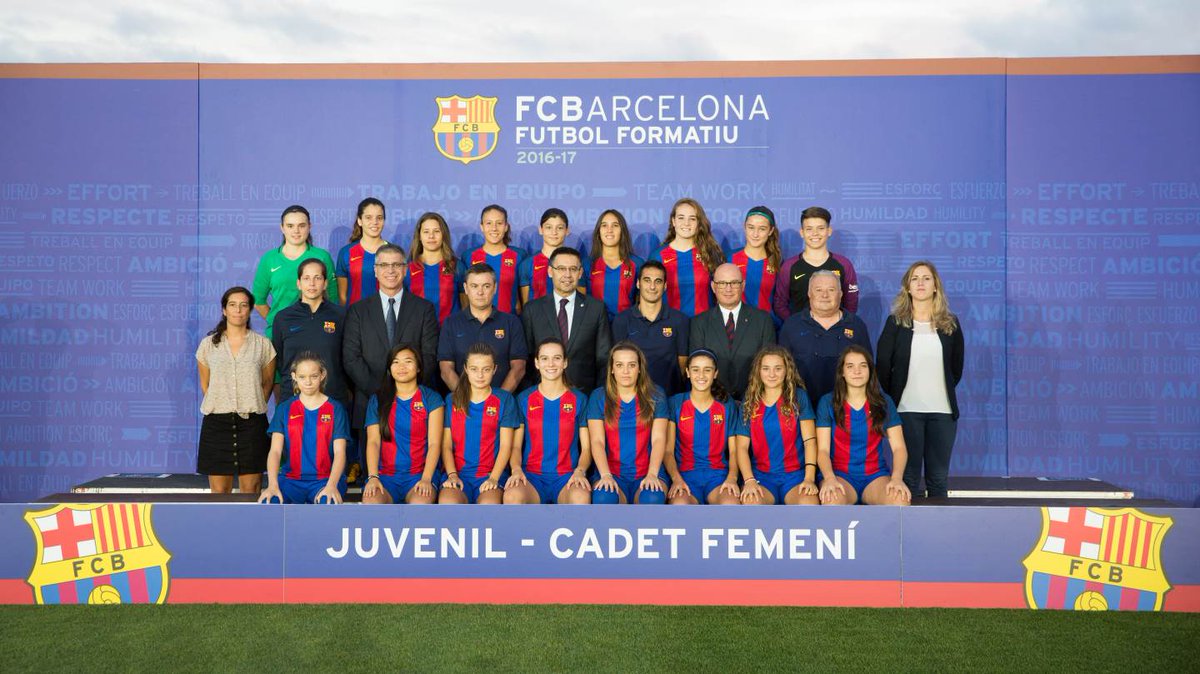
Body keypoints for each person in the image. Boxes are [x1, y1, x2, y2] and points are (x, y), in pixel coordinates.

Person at [876, 260, 965, 500]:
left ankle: (938, 525)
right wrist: (895, 394)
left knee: (938, 480)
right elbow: (882, 365)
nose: (920, 283)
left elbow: (956, 369)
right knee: (909, 479)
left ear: (936, 286)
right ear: (907, 287)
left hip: (943, 413)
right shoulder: (895, 322)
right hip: (906, 411)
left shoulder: (950, 324)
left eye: (926, 278)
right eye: (914, 279)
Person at [343, 244, 439, 458]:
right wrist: (381, 394)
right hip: (371, 403)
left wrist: (405, 392)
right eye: (384, 265)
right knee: (372, 473)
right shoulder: (358, 310)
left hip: (414, 406)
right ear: (375, 271)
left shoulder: (424, 309)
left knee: (416, 473)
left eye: (396, 264)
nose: (391, 270)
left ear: (405, 270)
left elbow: (429, 356)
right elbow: (351, 358)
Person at [196, 286, 276, 494]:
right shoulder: (207, 345)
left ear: (250, 310)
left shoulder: (263, 345)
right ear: (224, 310)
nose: (238, 310)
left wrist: (251, 402)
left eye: (243, 305)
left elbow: (267, 383)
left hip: (252, 426)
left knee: (251, 491)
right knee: (219, 494)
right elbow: (206, 385)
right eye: (232, 305)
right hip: (217, 425)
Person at [815, 345, 911, 506]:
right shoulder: (828, 402)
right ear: (842, 372)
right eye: (850, 366)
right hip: (839, 475)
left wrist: (896, 479)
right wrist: (829, 478)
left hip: (875, 476)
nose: (857, 371)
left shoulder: (884, 402)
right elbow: (822, 450)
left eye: (863, 366)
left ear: (870, 370)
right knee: (832, 500)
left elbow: (899, 448)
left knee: (900, 500)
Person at [504, 339, 593, 504]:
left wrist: (580, 471)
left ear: (565, 362)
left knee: (581, 497)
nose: (551, 364)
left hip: (567, 477)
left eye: (557, 358)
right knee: (512, 496)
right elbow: (515, 446)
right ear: (537, 363)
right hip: (531, 477)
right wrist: (516, 470)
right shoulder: (524, 399)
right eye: (544, 358)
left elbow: (587, 448)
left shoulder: (579, 399)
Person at [258, 352, 350, 504]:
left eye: (314, 376)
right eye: (302, 377)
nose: (308, 382)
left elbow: (340, 452)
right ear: (294, 376)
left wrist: (332, 485)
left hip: (325, 480)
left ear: (322, 375)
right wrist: (272, 485)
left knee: (328, 501)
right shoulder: (284, 408)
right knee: (270, 502)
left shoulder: (335, 408)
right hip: (290, 480)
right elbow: (275, 451)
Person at [586, 342, 669, 505]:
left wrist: (652, 474)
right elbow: (597, 441)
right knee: (604, 498)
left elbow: (659, 439)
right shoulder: (598, 396)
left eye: (631, 365)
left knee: (652, 498)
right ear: (612, 369)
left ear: (639, 368)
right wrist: (606, 475)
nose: (625, 371)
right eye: (619, 365)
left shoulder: (656, 395)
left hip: (648, 471)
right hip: (611, 472)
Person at [438, 344, 521, 504]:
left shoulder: (504, 400)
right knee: (448, 503)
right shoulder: (452, 400)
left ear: (494, 369)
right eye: (474, 369)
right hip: (458, 474)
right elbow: (446, 445)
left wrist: (493, 478)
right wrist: (452, 475)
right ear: (466, 369)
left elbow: (506, 446)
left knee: (488, 505)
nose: (480, 375)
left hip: (491, 474)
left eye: (486, 369)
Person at [362, 344, 444, 505]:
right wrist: (373, 477)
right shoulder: (378, 400)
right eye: (395, 362)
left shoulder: (431, 399)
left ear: (418, 367)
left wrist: (426, 479)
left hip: (419, 475)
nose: (401, 367)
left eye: (408, 361)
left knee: (420, 503)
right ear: (389, 368)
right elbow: (373, 442)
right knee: (371, 503)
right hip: (385, 476)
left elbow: (435, 444)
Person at [778, 270, 872, 409]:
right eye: (819, 290)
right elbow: (781, 370)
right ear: (809, 293)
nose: (825, 295)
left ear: (841, 294)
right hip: (801, 409)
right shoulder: (791, 325)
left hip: (846, 409)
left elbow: (869, 369)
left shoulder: (857, 326)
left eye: (831, 290)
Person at [520, 247, 611, 392]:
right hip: (542, 396)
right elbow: (527, 359)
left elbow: (603, 359)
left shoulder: (596, 308)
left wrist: (598, 395)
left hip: (584, 393)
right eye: (561, 269)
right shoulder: (532, 309)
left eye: (573, 269)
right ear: (550, 271)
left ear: (580, 273)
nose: (567, 275)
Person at [736, 347, 819, 505]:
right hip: (761, 476)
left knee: (809, 504)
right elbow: (741, 447)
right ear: (758, 371)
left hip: (795, 476)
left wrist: (809, 478)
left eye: (778, 368)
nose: (772, 374)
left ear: (787, 370)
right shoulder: (750, 400)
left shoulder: (798, 397)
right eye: (766, 369)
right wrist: (749, 480)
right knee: (751, 502)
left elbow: (810, 441)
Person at [663, 350, 741, 505]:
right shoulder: (676, 403)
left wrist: (732, 478)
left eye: (707, 370)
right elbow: (668, 451)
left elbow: (734, 451)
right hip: (685, 476)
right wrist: (676, 479)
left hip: (718, 477)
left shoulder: (727, 405)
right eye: (695, 370)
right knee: (680, 505)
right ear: (688, 372)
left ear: (715, 373)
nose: (701, 375)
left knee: (730, 504)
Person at [688, 263, 776, 399]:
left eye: (734, 283)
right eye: (722, 283)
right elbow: (697, 367)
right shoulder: (699, 323)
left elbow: (769, 365)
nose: (728, 289)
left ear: (743, 285)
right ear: (713, 287)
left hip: (753, 400)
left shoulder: (763, 320)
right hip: (713, 401)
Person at [437, 263, 528, 393]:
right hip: (463, 401)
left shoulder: (511, 322)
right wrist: (465, 399)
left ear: (495, 288)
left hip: (502, 400)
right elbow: (446, 370)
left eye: (486, 286)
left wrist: (498, 400)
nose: (480, 292)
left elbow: (519, 368)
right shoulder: (451, 323)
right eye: (474, 286)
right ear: (466, 288)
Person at [271, 259, 349, 408]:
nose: (312, 284)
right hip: (293, 400)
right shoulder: (283, 318)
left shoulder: (341, 315)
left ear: (325, 283)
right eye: (306, 278)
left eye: (317, 278)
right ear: (298, 283)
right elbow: (280, 361)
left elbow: (347, 359)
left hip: (333, 399)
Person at [253, 204, 337, 339]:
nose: (296, 231)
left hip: (315, 333)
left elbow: (332, 299)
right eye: (290, 226)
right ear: (282, 228)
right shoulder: (269, 259)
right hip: (280, 335)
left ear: (309, 226)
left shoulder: (322, 257)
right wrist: (278, 322)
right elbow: (258, 301)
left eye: (302, 225)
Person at [610, 261, 690, 396]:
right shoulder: (622, 320)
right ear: (638, 284)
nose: (652, 286)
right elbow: (616, 362)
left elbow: (683, 363)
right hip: (633, 398)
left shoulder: (680, 320)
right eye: (647, 280)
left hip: (669, 397)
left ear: (665, 286)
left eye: (658, 281)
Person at [773, 206, 859, 320]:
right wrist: (796, 324)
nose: (815, 233)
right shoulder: (789, 267)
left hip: (835, 329)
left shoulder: (844, 264)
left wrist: (839, 324)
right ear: (802, 232)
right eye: (809, 229)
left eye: (820, 228)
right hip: (800, 329)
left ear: (829, 231)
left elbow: (851, 302)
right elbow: (779, 303)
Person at [650, 198, 723, 317]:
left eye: (692, 219)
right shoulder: (658, 256)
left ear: (699, 223)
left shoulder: (710, 255)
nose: (686, 223)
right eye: (681, 218)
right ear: (673, 221)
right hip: (669, 324)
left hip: (704, 324)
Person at [463, 204, 525, 314]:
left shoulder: (519, 255)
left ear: (506, 227)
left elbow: (522, 297)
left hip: (509, 321)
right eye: (489, 223)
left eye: (499, 223)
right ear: (481, 226)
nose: (494, 228)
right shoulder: (468, 256)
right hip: (476, 322)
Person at [406, 212, 461, 326]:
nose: (431, 236)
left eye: (436, 231)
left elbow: (466, 303)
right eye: (426, 232)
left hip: (451, 332)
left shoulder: (457, 266)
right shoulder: (408, 268)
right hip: (418, 333)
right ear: (419, 236)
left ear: (443, 234)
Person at [588, 209, 643, 320]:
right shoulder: (587, 264)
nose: (609, 230)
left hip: (627, 325)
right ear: (598, 232)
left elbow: (643, 301)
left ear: (622, 231)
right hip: (595, 326)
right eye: (604, 225)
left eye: (615, 225)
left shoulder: (636, 264)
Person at [730, 206, 782, 321]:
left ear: (770, 231)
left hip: (767, 326)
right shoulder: (730, 259)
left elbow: (781, 302)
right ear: (744, 227)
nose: (755, 234)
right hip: (735, 327)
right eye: (751, 227)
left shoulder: (777, 263)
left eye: (762, 229)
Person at [335, 197, 390, 305]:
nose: (375, 222)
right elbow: (342, 296)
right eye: (368, 217)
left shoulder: (394, 253)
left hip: (386, 315)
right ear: (360, 221)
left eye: (379, 218)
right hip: (354, 315)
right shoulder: (346, 253)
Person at [520, 208, 578, 303]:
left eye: (559, 228)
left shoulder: (577, 262)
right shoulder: (528, 264)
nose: (554, 232)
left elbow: (581, 301)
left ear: (567, 230)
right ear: (540, 230)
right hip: (537, 313)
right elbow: (526, 304)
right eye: (549, 227)